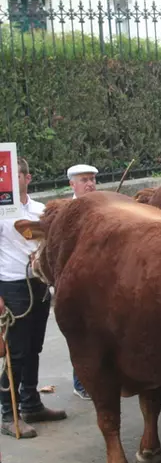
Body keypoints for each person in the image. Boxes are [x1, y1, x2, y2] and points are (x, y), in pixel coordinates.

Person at [0, 157, 67, 438]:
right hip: (11, 285)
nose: (12, 181)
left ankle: (30, 403)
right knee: (16, 352)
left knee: (34, 348)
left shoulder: (40, 210)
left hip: (38, 283)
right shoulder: (1, 211)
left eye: (18, 175)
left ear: (27, 178)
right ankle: (8, 413)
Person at [66, 164, 98, 400]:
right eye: (84, 180)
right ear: (72, 184)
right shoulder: (67, 212)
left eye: (92, 179)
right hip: (74, 283)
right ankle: (81, 382)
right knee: (79, 334)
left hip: (98, 281)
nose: (90, 184)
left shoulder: (103, 206)